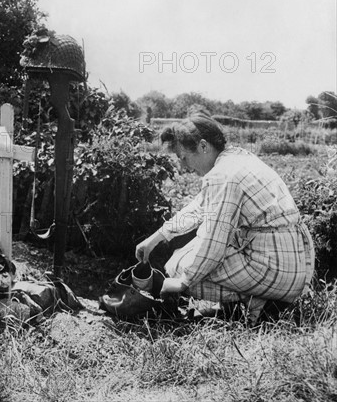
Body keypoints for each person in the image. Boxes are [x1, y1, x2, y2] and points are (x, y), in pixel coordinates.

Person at [135, 111, 315, 322]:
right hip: (294, 262)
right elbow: (200, 207)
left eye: (184, 158)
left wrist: (182, 283)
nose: (183, 166)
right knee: (186, 257)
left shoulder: (223, 175)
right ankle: (260, 305)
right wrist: (157, 237)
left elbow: (214, 240)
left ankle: (262, 306)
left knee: (178, 266)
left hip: (275, 266)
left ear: (203, 147)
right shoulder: (235, 159)